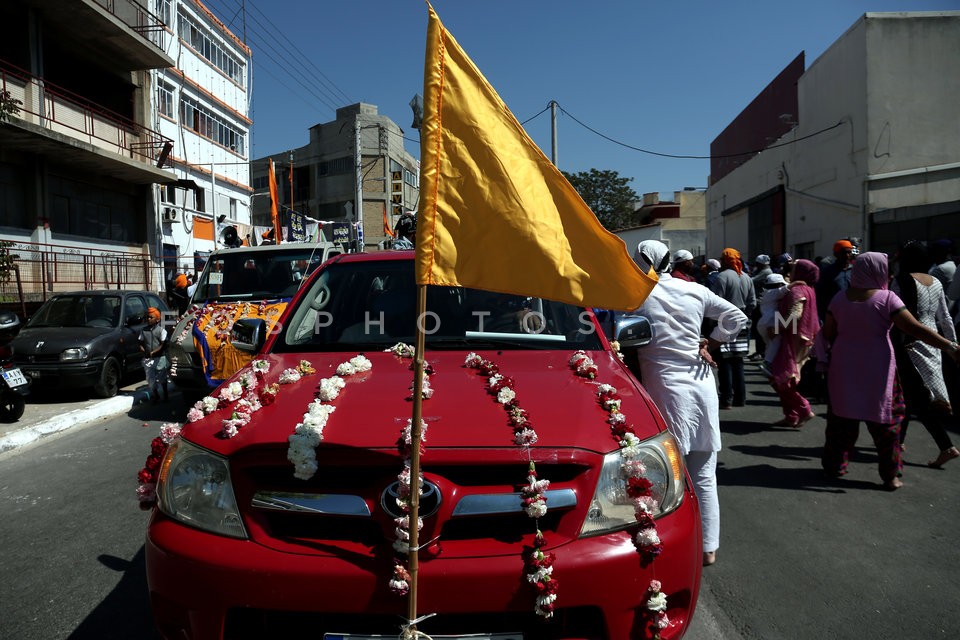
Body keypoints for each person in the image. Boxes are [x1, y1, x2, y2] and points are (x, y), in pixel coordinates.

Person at [632, 240, 748, 567]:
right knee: (704, 474)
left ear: (644, 262)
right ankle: (708, 547)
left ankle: (670, 544)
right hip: (701, 385)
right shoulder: (694, 291)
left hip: (668, 389)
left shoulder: (637, 295)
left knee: (668, 474)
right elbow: (736, 318)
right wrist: (711, 341)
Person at [820, 252, 960, 490]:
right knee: (888, 425)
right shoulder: (887, 299)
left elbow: (829, 334)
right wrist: (949, 346)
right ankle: (890, 476)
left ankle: (835, 466)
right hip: (879, 369)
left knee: (840, 421)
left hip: (843, 368)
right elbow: (914, 328)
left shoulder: (839, 299)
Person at [892, 241, 959, 468]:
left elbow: (892, 312)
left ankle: (946, 446)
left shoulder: (901, 280)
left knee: (916, 397)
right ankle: (898, 441)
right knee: (911, 394)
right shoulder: (936, 281)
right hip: (933, 344)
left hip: (909, 342)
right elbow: (945, 318)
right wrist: (952, 345)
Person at [768, 260, 820, 427]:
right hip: (804, 338)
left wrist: (776, 328)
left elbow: (795, 315)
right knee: (782, 378)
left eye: (794, 269)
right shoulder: (809, 289)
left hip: (793, 339)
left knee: (782, 378)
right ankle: (791, 415)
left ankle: (803, 409)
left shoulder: (797, 290)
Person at [709, 248, 757, 408]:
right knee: (738, 361)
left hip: (725, 322)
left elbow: (716, 302)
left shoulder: (722, 277)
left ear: (724, 260)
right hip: (743, 323)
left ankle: (727, 399)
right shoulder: (746, 278)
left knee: (725, 362)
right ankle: (740, 398)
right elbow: (752, 303)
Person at [816, 240, 858, 321]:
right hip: (833, 316)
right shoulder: (827, 272)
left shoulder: (855, 271)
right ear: (836, 254)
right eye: (843, 253)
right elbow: (820, 297)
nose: (847, 255)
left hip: (852, 315)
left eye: (849, 252)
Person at [757, 273, 788, 374]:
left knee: (770, 345)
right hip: (770, 322)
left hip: (764, 322)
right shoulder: (773, 293)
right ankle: (767, 363)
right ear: (779, 285)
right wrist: (798, 282)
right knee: (776, 341)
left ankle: (769, 363)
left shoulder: (767, 293)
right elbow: (786, 288)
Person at [139, 307, 169, 403]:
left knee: (162, 377)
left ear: (157, 319)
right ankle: (156, 396)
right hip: (148, 359)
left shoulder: (161, 331)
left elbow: (162, 344)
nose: (148, 319)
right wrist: (143, 350)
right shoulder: (143, 330)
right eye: (148, 317)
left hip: (160, 358)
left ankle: (165, 394)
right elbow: (140, 342)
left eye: (151, 317)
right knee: (150, 379)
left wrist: (153, 352)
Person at [749, 254, 773, 359]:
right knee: (756, 329)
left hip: (761, 303)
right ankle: (759, 350)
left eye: (757, 264)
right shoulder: (761, 271)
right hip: (759, 302)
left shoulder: (766, 272)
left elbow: (751, 280)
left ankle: (761, 351)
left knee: (760, 328)